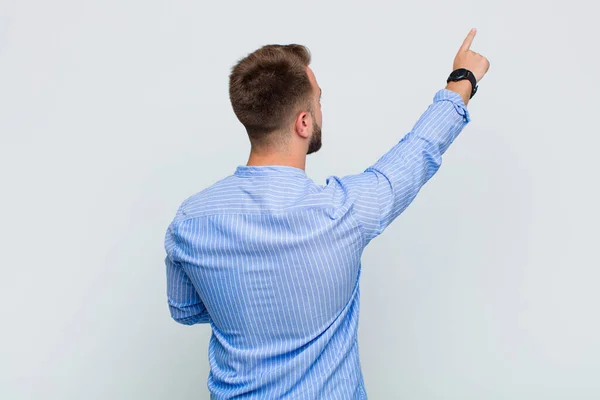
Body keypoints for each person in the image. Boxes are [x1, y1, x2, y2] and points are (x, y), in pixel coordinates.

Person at [164, 28, 490, 399]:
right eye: (318, 100)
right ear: (303, 122)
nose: (321, 109)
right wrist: (461, 80)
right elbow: (418, 150)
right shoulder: (344, 213)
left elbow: (185, 310)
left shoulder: (190, 221)